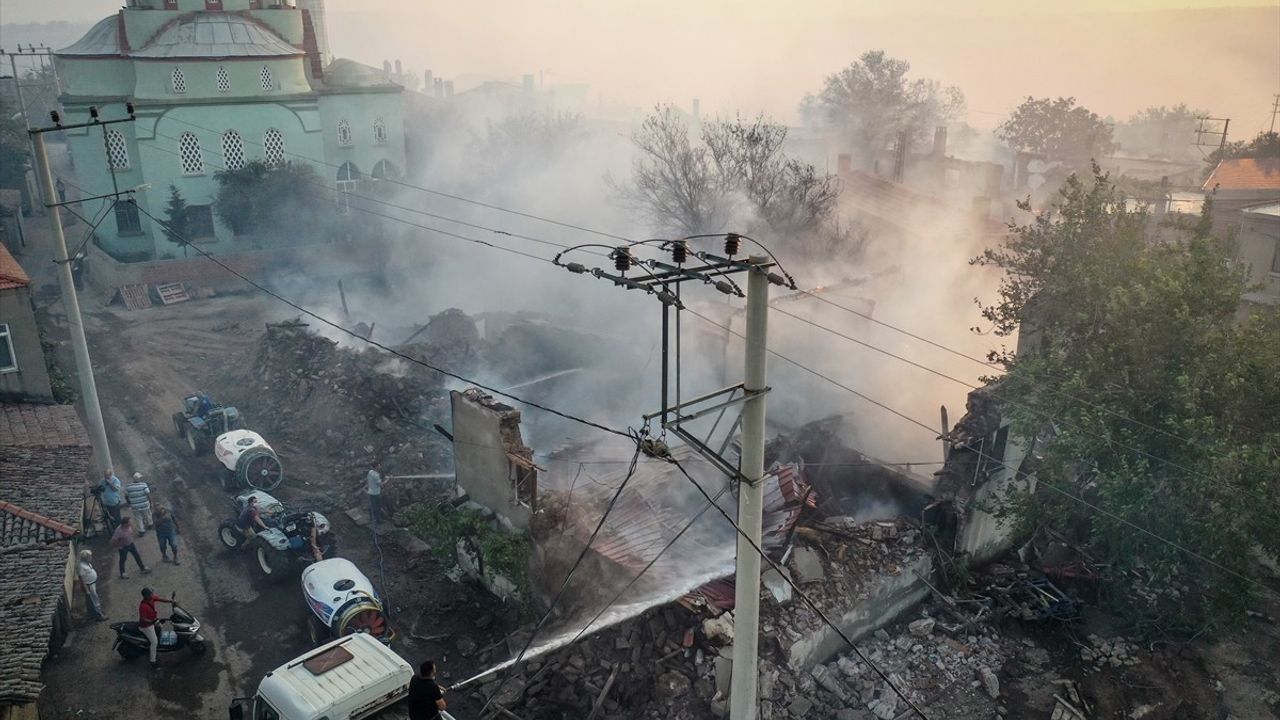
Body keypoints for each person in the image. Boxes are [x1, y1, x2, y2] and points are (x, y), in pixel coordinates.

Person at [137, 588, 173, 670]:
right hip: (146, 626)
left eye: (151, 594)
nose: (152, 595)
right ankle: (153, 662)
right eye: (150, 594)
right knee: (154, 642)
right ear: (145, 596)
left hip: (153, 621)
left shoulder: (152, 598)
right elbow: (143, 619)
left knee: (160, 627)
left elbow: (161, 599)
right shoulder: (143, 606)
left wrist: (171, 601)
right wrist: (152, 621)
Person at [76, 549, 106, 621]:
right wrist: (86, 590)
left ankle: (92, 614)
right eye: (89, 556)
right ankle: (99, 615)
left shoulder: (87, 563)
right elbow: (82, 579)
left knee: (90, 601)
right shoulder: (81, 566)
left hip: (92, 583)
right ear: (85, 558)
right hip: (89, 586)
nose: (91, 557)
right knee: (95, 600)